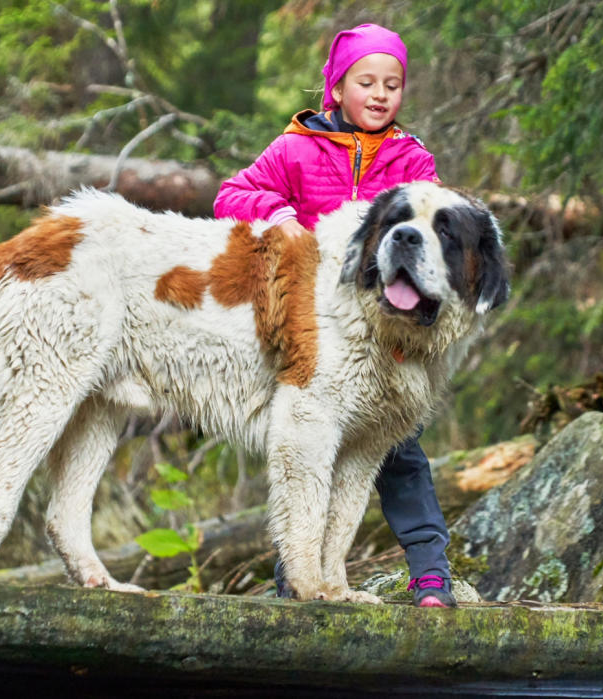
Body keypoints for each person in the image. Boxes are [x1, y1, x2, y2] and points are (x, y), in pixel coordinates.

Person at [213, 23, 457, 608]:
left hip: (387, 329)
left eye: (392, 85)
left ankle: (430, 571)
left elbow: (431, 233)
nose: (379, 95)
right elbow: (231, 196)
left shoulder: (411, 157)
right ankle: (297, 577)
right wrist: (276, 212)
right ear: (337, 88)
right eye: (365, 82)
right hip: (316, 330)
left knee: (401, 452)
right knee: (310, 444)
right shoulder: (296, 148)